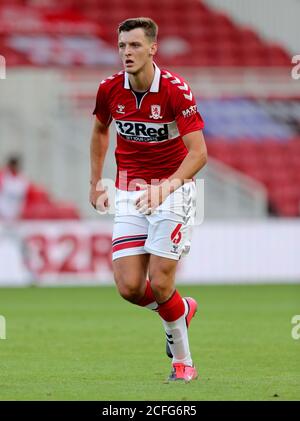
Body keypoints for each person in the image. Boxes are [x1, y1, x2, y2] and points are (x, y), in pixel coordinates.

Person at [89, 17, 207, 382]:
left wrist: (165, 187)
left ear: (153, 48)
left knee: (159, 283)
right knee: (128, 287)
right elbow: (99, 130)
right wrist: (96, 182)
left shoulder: (176, 90)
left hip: (173, 192)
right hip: (128, 191)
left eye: (135, 45)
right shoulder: (110, 89)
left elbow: (199, 153)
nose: (127, 52)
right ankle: (179, 309)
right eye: (122, 46)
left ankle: (183, 363)